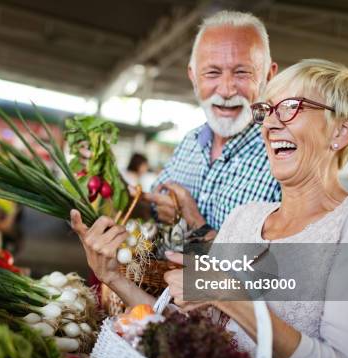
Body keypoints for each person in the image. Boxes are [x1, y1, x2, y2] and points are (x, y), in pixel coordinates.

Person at [71, 59, 348, 358]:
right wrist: (114, 278)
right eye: (266, 110)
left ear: (341, 131)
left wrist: (234, 298)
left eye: (290, 108)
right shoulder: (244, 218)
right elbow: (189, 334)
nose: (271, 123)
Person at [79, 11, 281, 235]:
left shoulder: (283, 158)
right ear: (193, 76)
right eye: (212, 73)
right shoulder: (190, 143)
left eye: (242, 73)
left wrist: (194, 221)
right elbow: (152, 211)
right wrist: (112, 180)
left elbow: (276, 268)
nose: (225, 90)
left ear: (269, 76)